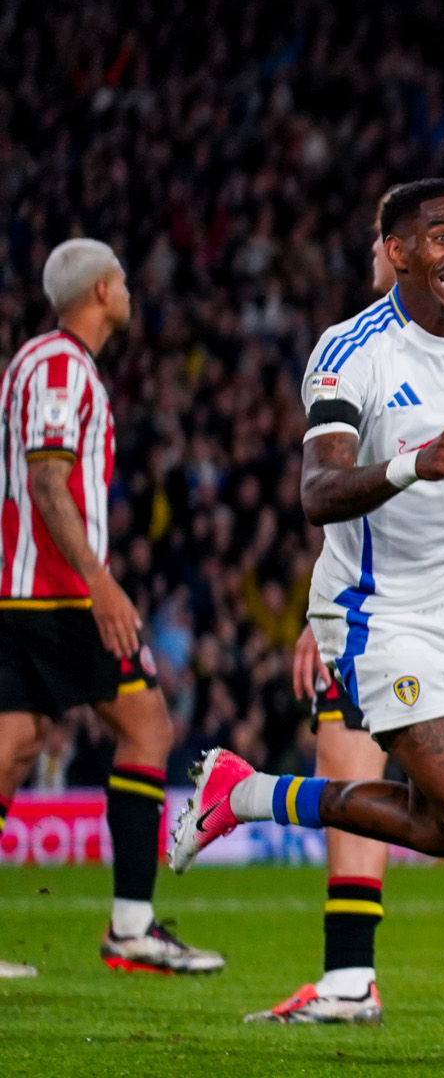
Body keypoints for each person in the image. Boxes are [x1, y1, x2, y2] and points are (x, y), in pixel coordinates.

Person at [167, 178, 444, 1058]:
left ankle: (246, 794)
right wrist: (410, 466)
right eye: (441, 236)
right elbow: (316, 490)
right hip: (378, 615)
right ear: (396, 252)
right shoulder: (350, 351)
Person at [0, 238, 224, 974]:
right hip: (57, 594)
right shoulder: (59, 366)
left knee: (16, 744)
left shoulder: (47, 363)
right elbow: (47, 482)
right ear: (100, 290)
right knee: (146, 725)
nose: (129, 291)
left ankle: (132, 927)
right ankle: (130, 927)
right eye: (122, 280)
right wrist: (101, 584)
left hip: (34, 589)